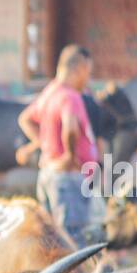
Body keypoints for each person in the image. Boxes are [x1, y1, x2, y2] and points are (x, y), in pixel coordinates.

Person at [17, 44, 100, 244]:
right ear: (78, 69)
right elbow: (70, 126)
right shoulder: (71, 96)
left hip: (49, 175)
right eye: (87, 73)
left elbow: (25, 119)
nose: (88, 79)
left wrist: (42, 143)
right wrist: (70, 157)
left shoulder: (50, 92)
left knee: (52, 241)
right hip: (68, 179)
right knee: (72, 241)